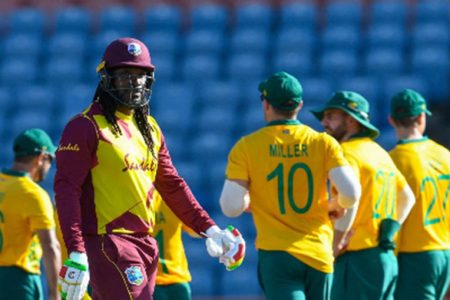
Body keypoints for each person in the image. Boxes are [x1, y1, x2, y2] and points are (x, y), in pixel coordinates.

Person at [54, 37, 245, 300]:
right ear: (106, 79)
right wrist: (76, 251)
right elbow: (66, 190)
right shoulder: (85, 127)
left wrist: (210, 229)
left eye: (140, 75)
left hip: (145, 243)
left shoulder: (150, 129)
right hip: (108, 242)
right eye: (124, 75)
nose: (133, 83)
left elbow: (172, 185)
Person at [220, 71, 361, 300]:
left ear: (266, 105)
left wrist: (251, 200)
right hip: (318, 252)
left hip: (277, 256)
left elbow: (230, 207)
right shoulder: (323, 142)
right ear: (300, 105)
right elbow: (351, 193)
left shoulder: (246, 146)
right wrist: (335, 204)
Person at [312, 91, 416, 299]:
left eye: (331, 116)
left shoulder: (344, 153)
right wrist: (390, 229)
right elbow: (407, 197)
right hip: (384, 257)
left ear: (351, 120)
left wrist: (336, 242)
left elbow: (350, 199)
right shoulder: (379, 152)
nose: (324, 122)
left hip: (356, 256)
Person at [388, 89, 450, 300]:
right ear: (422, 117)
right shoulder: (444, 155)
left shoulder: (392, 161)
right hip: (444, 250)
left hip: (413, 254)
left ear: (391, 120)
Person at [0, 128, 61, 300]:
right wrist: (55, 293)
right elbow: (50, 246)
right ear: (41, 158)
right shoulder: (33, 194)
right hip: (19, 281)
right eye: (50, 160)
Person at [153, 192, 198, 300]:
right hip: (146, 282)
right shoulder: (132, 199)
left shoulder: (175, 196)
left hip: (177, 279)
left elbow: (197, 227)